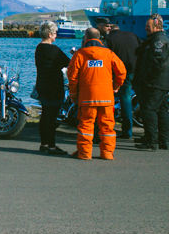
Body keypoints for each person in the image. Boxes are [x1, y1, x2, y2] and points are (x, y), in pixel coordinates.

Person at [66, 27, 126, 160]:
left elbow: (72, 77)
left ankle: (84, 153)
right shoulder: (108, 53)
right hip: (106, 97)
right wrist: (115, 86)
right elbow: (122, 72)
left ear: (86, 38)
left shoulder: (80, 54)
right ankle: (107, 153)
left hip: (87, 97)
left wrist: (74, 95)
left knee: (86, 126)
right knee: (107, 127)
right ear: (99, 38)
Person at [133, 13, 169, 151]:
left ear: (157, 26)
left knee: (149, 110)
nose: (145, 28)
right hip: (162, 81)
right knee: (161, 110)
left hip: (155, 82)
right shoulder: (158, 39)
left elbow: (157, 62)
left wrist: (147, 79)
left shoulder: (159, 41)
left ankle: (151, 141)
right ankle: (164, 139)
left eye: (148, 26)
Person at [97, 18, 142, 139]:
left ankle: (127, 131)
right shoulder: (133, 35)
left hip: (122, 72)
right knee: (140, 96)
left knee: (124, 97)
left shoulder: (109, 39)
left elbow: (106, 57)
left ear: (110, 28)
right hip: (137, 70)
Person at [33, 21, 70, 155]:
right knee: (52, 116)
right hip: (54, 85)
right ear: (49, 34)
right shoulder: (54, 50)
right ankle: (52, 145)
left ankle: (44, 143)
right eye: (55, 33)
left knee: (45, 115)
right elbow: (68, 63)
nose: (56, 36)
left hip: (42, 84)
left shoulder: (38, 48)